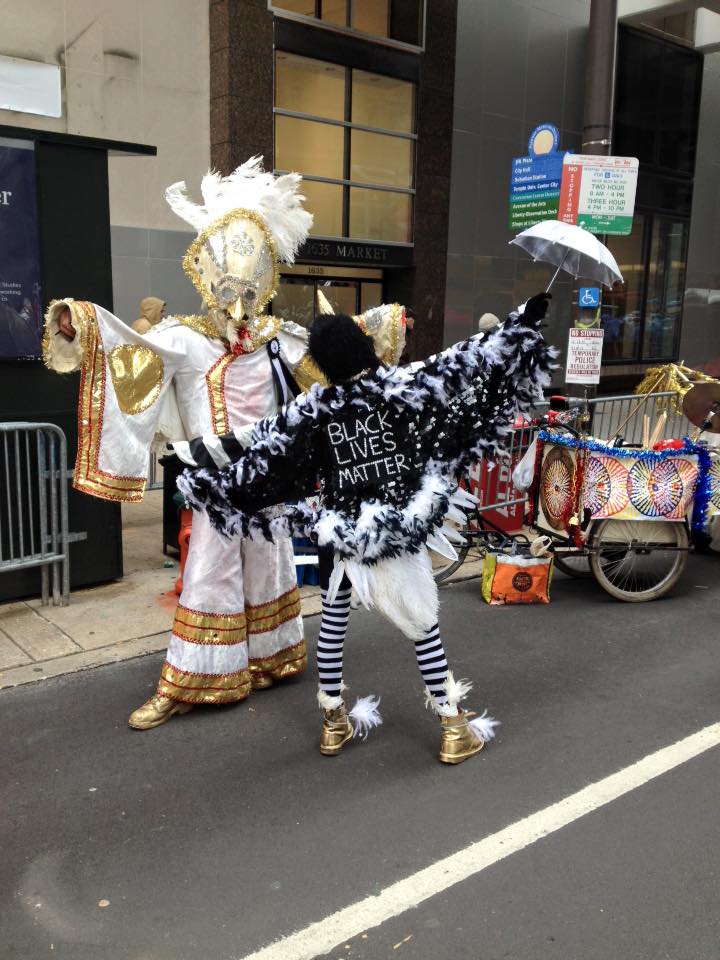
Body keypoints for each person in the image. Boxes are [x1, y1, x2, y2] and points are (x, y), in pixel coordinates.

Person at [43, 156, 407, 730]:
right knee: (210, 577)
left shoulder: (276, 341)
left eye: (248, 294)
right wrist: (81, 325)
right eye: (229, 292)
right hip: (214, 482)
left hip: (267, 480)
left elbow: (332, 359)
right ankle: (191, 681)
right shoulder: (182, 339)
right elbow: (129, 350)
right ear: (210, 284)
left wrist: (378, 327)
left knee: (268, 565)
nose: (238, 308)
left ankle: (271, 657)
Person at [178, 293, 555, 763]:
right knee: (422, 624)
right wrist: (521, 321)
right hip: (398, 524)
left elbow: (261, 448)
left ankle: (333, 722)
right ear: (364, 348)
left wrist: (192, 461)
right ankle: (453, 726)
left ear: (324, 364)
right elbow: (467, 360)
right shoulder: (399, 385)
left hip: (344, 535)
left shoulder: (314, 412)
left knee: (333, 624)